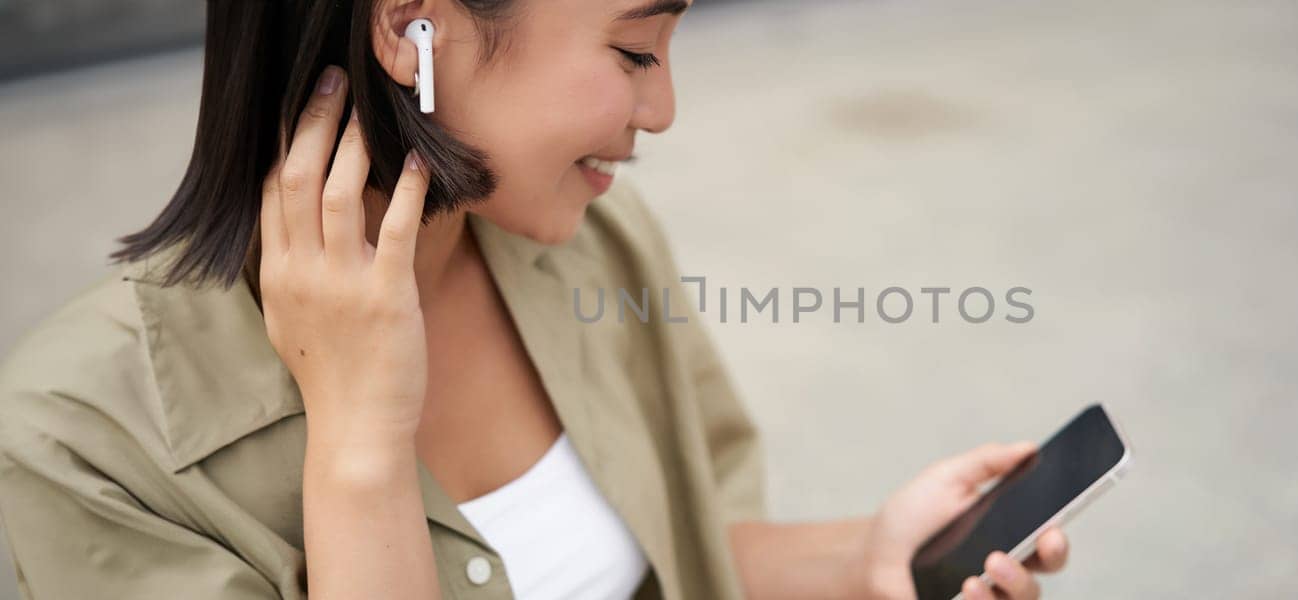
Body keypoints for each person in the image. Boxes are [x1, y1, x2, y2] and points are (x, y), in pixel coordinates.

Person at [0, 1, 1070, 598]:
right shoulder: (77, 442)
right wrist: (360, 446)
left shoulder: (592, 240)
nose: (663, 106)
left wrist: (869, 556)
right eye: (633, 49)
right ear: (410, 28)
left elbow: (663, 561)